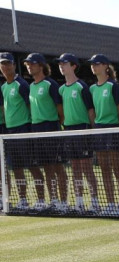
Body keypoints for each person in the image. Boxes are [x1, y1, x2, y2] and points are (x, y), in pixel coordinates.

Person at [24, 52, 69, 213]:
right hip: (37, 129)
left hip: (51, 128)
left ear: (41, 65)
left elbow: (60, 110)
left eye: (32, 63)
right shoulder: (31, 86)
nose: (29, 66)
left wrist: (59, 126)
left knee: (57, 167)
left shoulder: (51, 84)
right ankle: (54, 201)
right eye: (27, 64)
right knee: (47, 168)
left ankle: (63, 202)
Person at [1, 51, 44, 211]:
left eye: (7, 63)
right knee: (17, 168)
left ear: (13, 65)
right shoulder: (4, 87)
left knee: (32, 165)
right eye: (2, 64)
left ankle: (41, 200)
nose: (4, 67)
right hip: (9, 132)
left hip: (24, 129)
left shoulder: (22, 84)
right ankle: (23, 200)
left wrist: (30, 129)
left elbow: (30, 106)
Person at [57, 53, 98, 214]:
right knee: (75, 169)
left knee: (87, 168)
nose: (61, 66)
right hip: (68, 130)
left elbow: (90, 110)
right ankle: (79, 202)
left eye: (64, 63)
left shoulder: (82, 87)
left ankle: (94, 202)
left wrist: (92, 131)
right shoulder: (61, 89)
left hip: (83, 129)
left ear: (73, 66)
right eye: (60, 64)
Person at [88, 53, 119, 216]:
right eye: (92, 64)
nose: (93, 66)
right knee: (104, 169)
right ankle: (110, 203)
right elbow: (92, 112)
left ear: (105, 66)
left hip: (114, 129)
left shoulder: (113, 86)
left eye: (97, 64)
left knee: (117, 169)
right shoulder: (91, 88)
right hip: (100, 130)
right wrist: (95, 129)